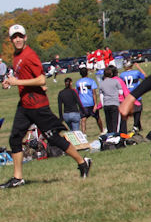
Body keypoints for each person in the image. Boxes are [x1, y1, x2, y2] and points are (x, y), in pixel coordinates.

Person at [2, 24, 91, 188]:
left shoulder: (29, 55)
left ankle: (82, 162)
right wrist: (10, 81)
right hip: (25, 105)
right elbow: (25, 78)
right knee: (14, 139)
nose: (18, 39)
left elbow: (42, 79)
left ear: (25, 37)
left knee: (53, 138)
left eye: (20, 36)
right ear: (11, 40)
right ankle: (17, 178)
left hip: (38, 106)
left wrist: (17, 82)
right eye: (14, 37)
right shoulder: (16, 56)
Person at [75, 65, 105, 133]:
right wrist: (95, 104)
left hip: (82, 103)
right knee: (97, 117)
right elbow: (94, 93)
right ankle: (102, 131)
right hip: (90, 102)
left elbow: (77, 93)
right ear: (87, 73)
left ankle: (83, 133)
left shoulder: (78, 82)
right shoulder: (91, 81)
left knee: (83, 119)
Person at [119, 61, 147, 132]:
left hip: (127, 95)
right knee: (138, 110)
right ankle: (135, 126)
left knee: (134, 110)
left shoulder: (122, 75)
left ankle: (138, 126)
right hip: (136, 93)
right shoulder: (136, 72)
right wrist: (138, 67)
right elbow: (145, 77)